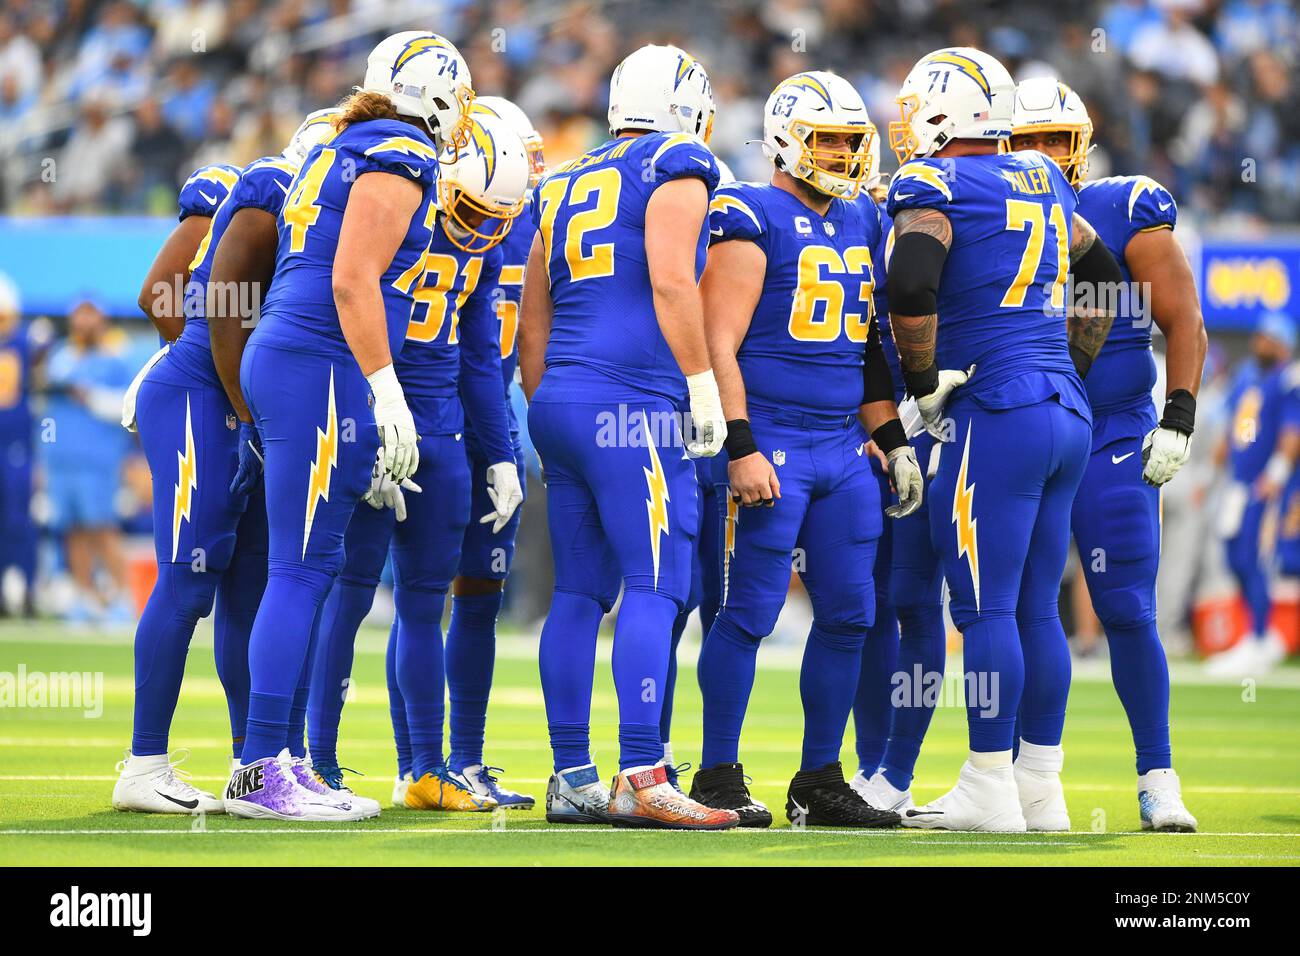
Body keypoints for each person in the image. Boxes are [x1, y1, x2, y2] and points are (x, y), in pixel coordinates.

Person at [223, 31, 474, 823]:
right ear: (433, 94)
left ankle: (276, 757)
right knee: (301, 569)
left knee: (308, 565)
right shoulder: (402, 148)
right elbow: (352, 277)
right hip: (323, 364)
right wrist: (385, 389)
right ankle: (262, 766)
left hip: (298, 359)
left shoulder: (346, 140)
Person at [884, 47, 1123, 831]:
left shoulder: (936, 183)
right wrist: (1068, 370)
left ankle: (988, 781)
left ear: (943, 112)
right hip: (1063, 410)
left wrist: (922, 384)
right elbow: (1106, 278)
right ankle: (1038, 788)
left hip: (996, 408)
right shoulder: (1047, 177)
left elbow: (912, 283)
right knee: (1035, 612)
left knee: (984, 610)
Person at [690, 71, 919, 829]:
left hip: (844, 448)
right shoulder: (751, 212)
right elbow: (716, 338)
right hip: (775, 441)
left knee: (853, 613)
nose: (845, 155)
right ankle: (717, 772)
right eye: (828, 140)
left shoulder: (863, 219)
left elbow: (871, 350)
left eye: (853, 141)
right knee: (751, 612)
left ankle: (819, 778)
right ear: (787, 137)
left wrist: (892, 438)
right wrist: (740, 445)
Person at [518, 44, 738, 830]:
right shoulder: (676, 161)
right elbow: (673, 277)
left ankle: (572, 774)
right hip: (633, 405)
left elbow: (532, 313)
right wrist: (703, 384)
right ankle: (644, 772)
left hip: (565, 401)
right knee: (655, 584)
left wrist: (554, 404)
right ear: (686, 105)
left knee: (578, 591)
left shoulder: (566, 178)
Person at [111, 112, 341, 816]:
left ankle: (256, 765)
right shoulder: (264, 187)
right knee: (188, 580)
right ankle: (144, 764)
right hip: (203, 400)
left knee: (250, 586)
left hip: (250, 407)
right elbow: (163, 291)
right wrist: (208, 378)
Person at [305, 110, 529, 813]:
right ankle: (317, 760)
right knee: (346, 596)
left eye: (496, 216)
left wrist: (502, 456)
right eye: (468, 209)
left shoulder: (483, 249)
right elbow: (341, 317)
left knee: (424, 603)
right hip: (376, 420)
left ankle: (426, 768)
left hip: (443, 437)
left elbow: (479, 363)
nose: (479, 229)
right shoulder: (391, 212)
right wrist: (361, 425)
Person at [1007, 77, 1206, 831]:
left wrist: (1179, 418)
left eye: (1058, 140)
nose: (1045, 157)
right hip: (1020, 429)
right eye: (1029, 142)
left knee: (1125, 606)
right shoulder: (987, 208)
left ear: (1081, 146)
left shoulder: (1123, 207)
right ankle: (1032, 783)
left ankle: (1157, 775)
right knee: (1023, 609)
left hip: (1112, 432)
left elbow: (1184, 319)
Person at [441, 96, 544, 809]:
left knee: (480, 595)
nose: (532, 171)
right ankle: (341, 756)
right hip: (429, 412)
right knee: (405, 597)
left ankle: (464, 758)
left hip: (491, 416)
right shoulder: (441, 210)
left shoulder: (539, 220)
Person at [1208, 311, 1296, 676]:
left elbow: (1292, 433)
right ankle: (1255, 636)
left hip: (1265, 485)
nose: (1261, 344)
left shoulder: (1287, 381)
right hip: (1238, 484)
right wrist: (1209, 475)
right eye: (1260, 337)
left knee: (1253, 557)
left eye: (1270, 340)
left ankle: (1259, 638)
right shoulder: (1247, 376)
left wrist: (1276, 473)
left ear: (1283, 346)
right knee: (1233, 556)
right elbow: (1233, 425)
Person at [43, 298, 134, 625]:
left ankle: (122, 598)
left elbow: (127, 406)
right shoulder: (60, 359)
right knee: (72, 529)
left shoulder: (116, 359)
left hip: (98, 460)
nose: (83, 324)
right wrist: (46, 452)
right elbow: (47, 414)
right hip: (61, 460)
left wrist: (89, 396)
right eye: (78, 318)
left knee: (102, 526)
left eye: (90, 317)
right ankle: (84, 597)